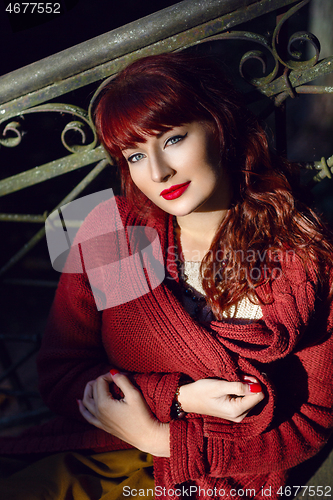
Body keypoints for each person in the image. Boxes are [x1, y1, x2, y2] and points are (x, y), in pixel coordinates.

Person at [1, 51, 333, 500]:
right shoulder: (114, 232)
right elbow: (63, 378)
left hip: (222, 479)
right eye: (135, 156)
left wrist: (166, 442)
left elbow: (313, 422)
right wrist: (176, 398)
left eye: (173, 139)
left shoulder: (299, 254)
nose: (157, 173)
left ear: (219, 127)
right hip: (101, 457)